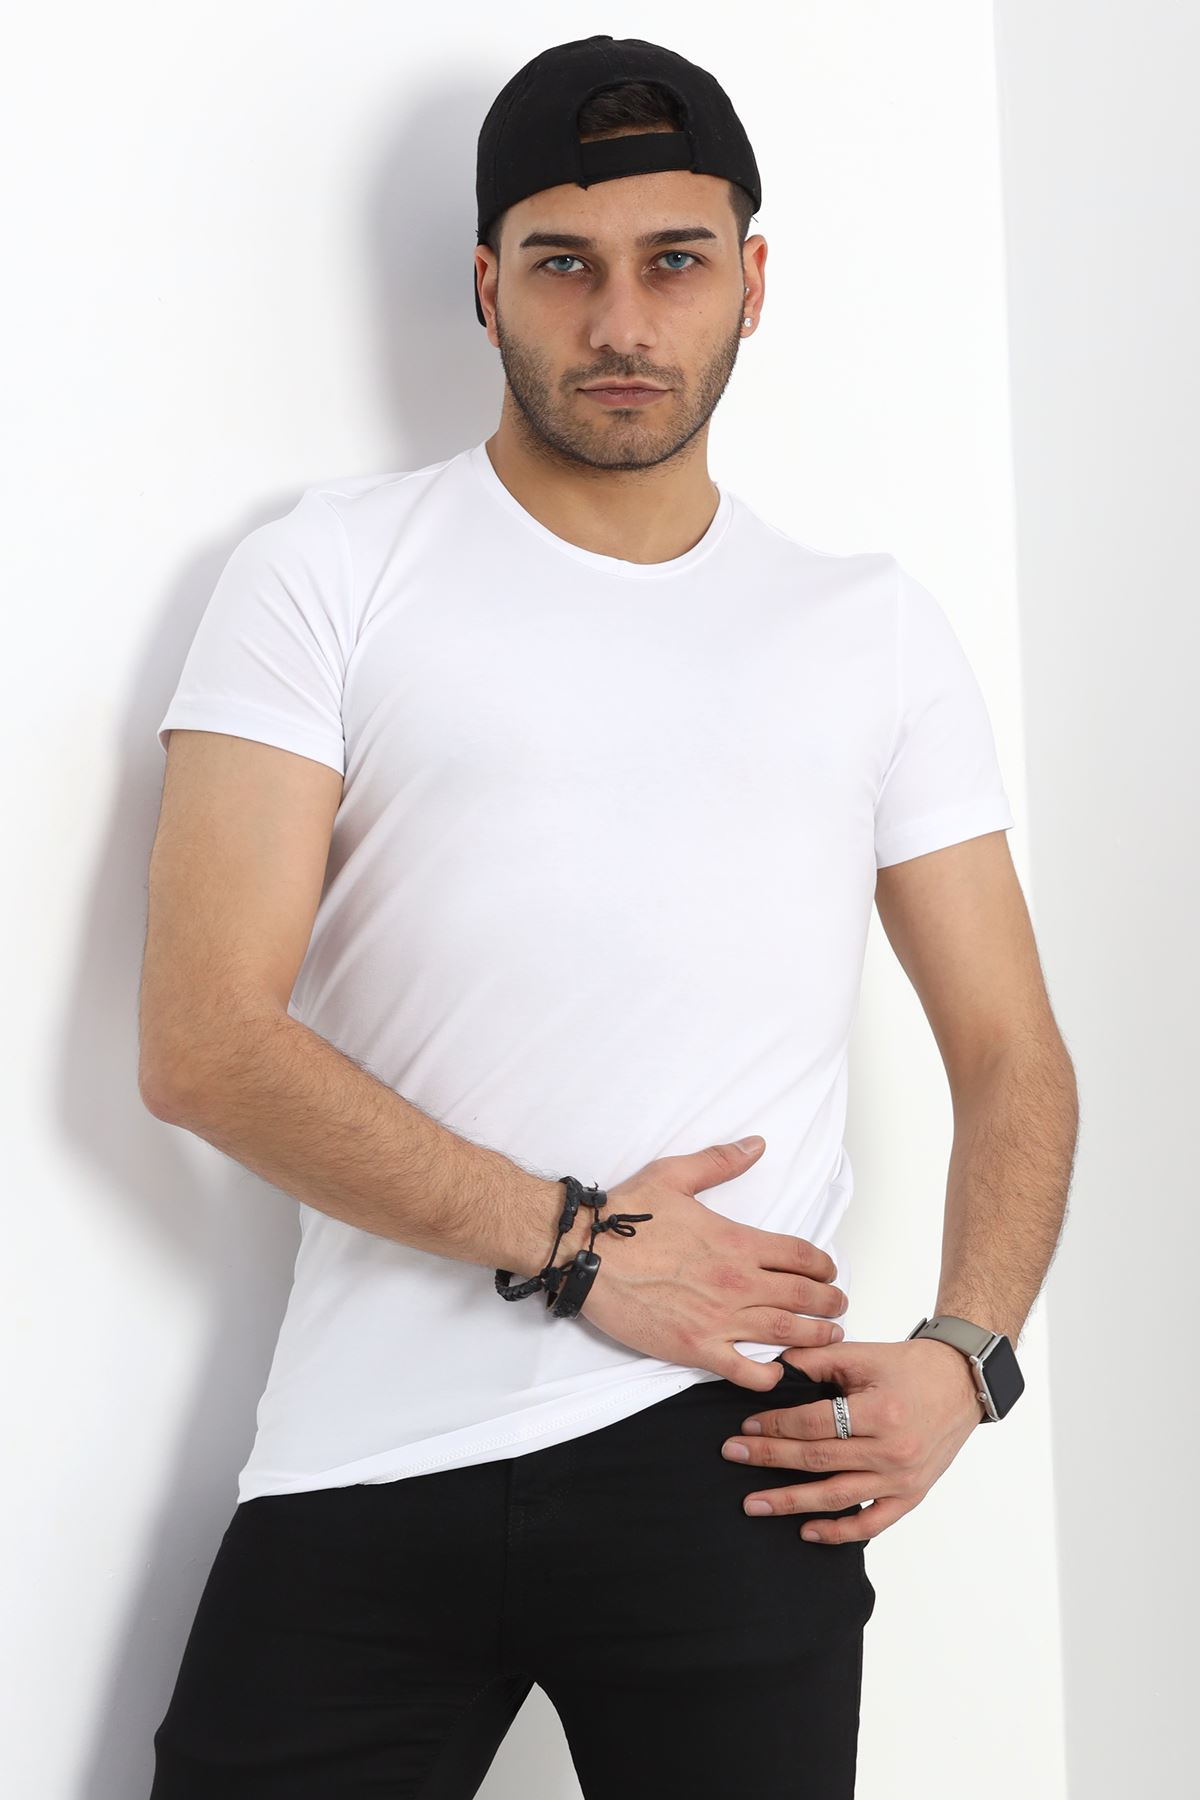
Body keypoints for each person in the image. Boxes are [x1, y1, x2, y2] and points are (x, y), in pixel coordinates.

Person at [140, 33, 1077, 1800]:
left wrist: (968, 1359)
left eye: (676, 261)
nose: (624, 322)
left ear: (753, 282)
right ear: (486, 284)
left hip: (733, 1462)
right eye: (565, 263)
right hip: (367, 1445)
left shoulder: (870, 627)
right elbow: (201, 1045)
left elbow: (1012, 1050)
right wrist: (576, 1245)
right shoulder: (325, 569)